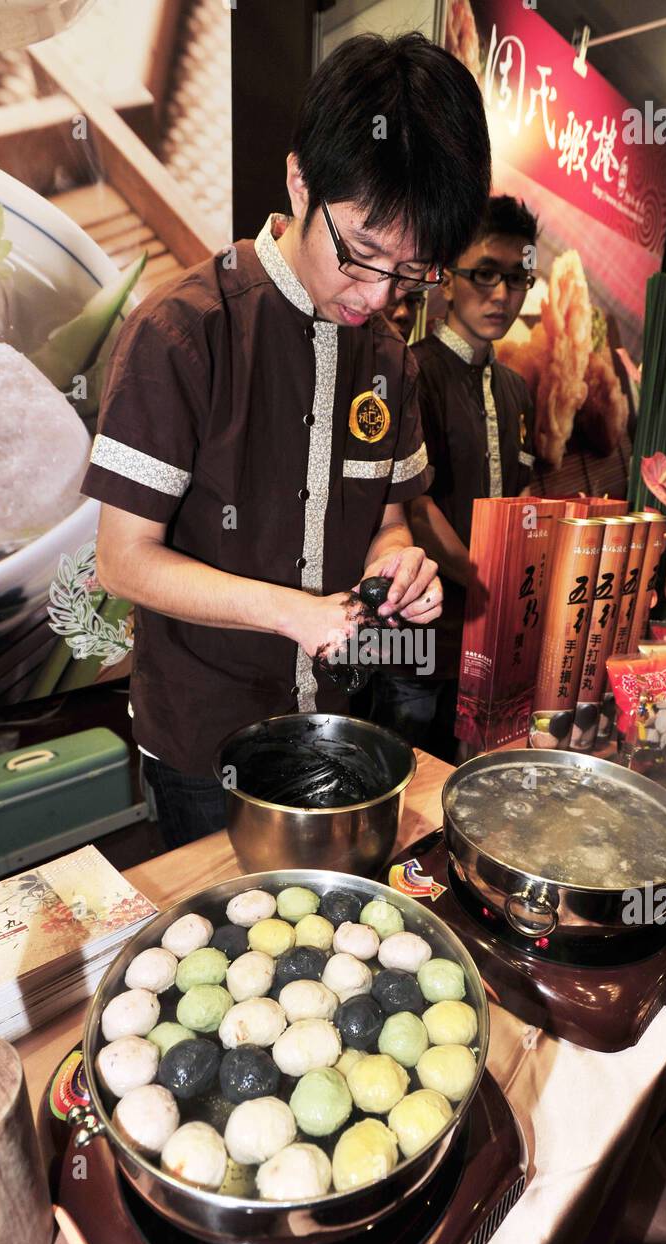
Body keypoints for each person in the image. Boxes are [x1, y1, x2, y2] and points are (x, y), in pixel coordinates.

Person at [80, 33, 491, 848]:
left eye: (413, 273)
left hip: (333, 719)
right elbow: (122, 560)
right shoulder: (185, 331)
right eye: (362, 254)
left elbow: (386, 515)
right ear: (300, 180)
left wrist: (395, 564)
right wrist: (289, 614)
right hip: (206, 742)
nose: (377, 295)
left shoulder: (387, 361)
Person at [371, 195, 537, 760]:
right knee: (406, 770)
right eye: (485, 273)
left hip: (491, 633)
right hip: (423, 629)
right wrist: (487, 576)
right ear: (445, 280)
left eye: (517, 278)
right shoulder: (411, 368)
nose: (501, 294)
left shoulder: (515, 389)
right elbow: (414, 505)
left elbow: (524, 495)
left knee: (471, 776)